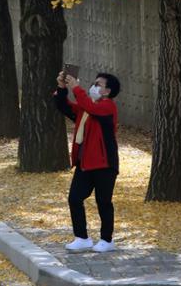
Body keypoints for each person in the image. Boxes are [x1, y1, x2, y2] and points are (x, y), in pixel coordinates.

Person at [54, 69, 120, 254]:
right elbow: (64, 106)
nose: (94, 86)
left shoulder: (107, 107)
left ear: (107, 91)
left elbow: (91, 108)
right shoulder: (86, 108)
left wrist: (76, 88)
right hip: (85, 163)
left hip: (104, 164)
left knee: (103, 201)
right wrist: (62, 87)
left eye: (98, 85)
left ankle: (107, 240)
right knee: (74, 198)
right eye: (94, 83)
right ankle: (82, 237)